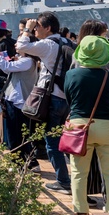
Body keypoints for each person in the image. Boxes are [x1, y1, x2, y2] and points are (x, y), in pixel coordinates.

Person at [62, 35, 109, 215]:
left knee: (79, 172)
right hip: (108, 125)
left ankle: (81, 212)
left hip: (79, 124)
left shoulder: (71, 75)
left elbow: (69, 101)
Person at [17, 12, 73, 194]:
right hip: (64, 96)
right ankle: (70, 177)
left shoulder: (48, 44)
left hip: (51, 97)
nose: (35, 29)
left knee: (52, 141)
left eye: (38, 26)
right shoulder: (66, 42)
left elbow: (20, 46)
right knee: (62, 139)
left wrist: (26, 29)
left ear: (48, 28)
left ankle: (63, 181)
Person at [0, 44, 39, 168]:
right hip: (14, 100)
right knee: (19, 133)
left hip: (18, 102)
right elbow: (8, 68)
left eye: (20, 43)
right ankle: (29, 162)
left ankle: (19, 162)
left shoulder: (28, 61)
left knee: (15, 134)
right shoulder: (25, 61)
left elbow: (7, 66)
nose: (16, 45)